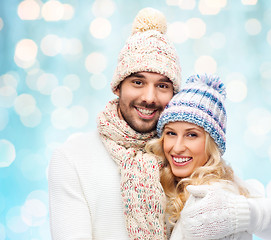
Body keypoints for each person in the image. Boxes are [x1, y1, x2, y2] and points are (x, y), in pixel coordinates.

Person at [48, 8, 181, 239]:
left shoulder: (184, 156)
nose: (149, 97)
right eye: (138, 82)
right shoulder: (72, 159)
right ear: (118, 86)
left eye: (162, 86)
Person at [146, 74, 271, 239]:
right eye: (171, 133)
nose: (177, 147)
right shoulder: (156, 179)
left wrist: (238, 213)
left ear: (211, 144)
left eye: (192, 135)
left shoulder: (216, 195)